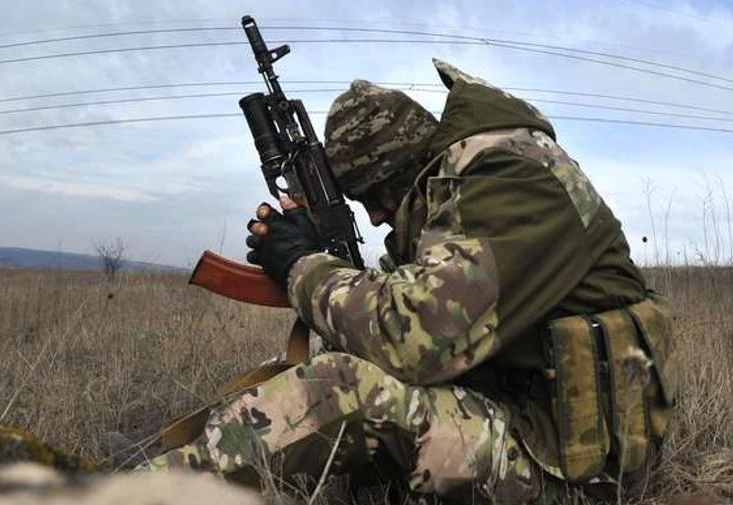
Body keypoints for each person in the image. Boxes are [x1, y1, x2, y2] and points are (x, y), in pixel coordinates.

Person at [138, 59, 675, 505]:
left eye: (375, 196)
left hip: (571, 473)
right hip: (524, 424)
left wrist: (301, 265)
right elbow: (400, 311)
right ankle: (162, 462)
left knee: (342, 388)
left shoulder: (515, 179)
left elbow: (408, 340)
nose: (373, 219)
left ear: (410, 168)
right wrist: (322, 259)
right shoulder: (460, 192)